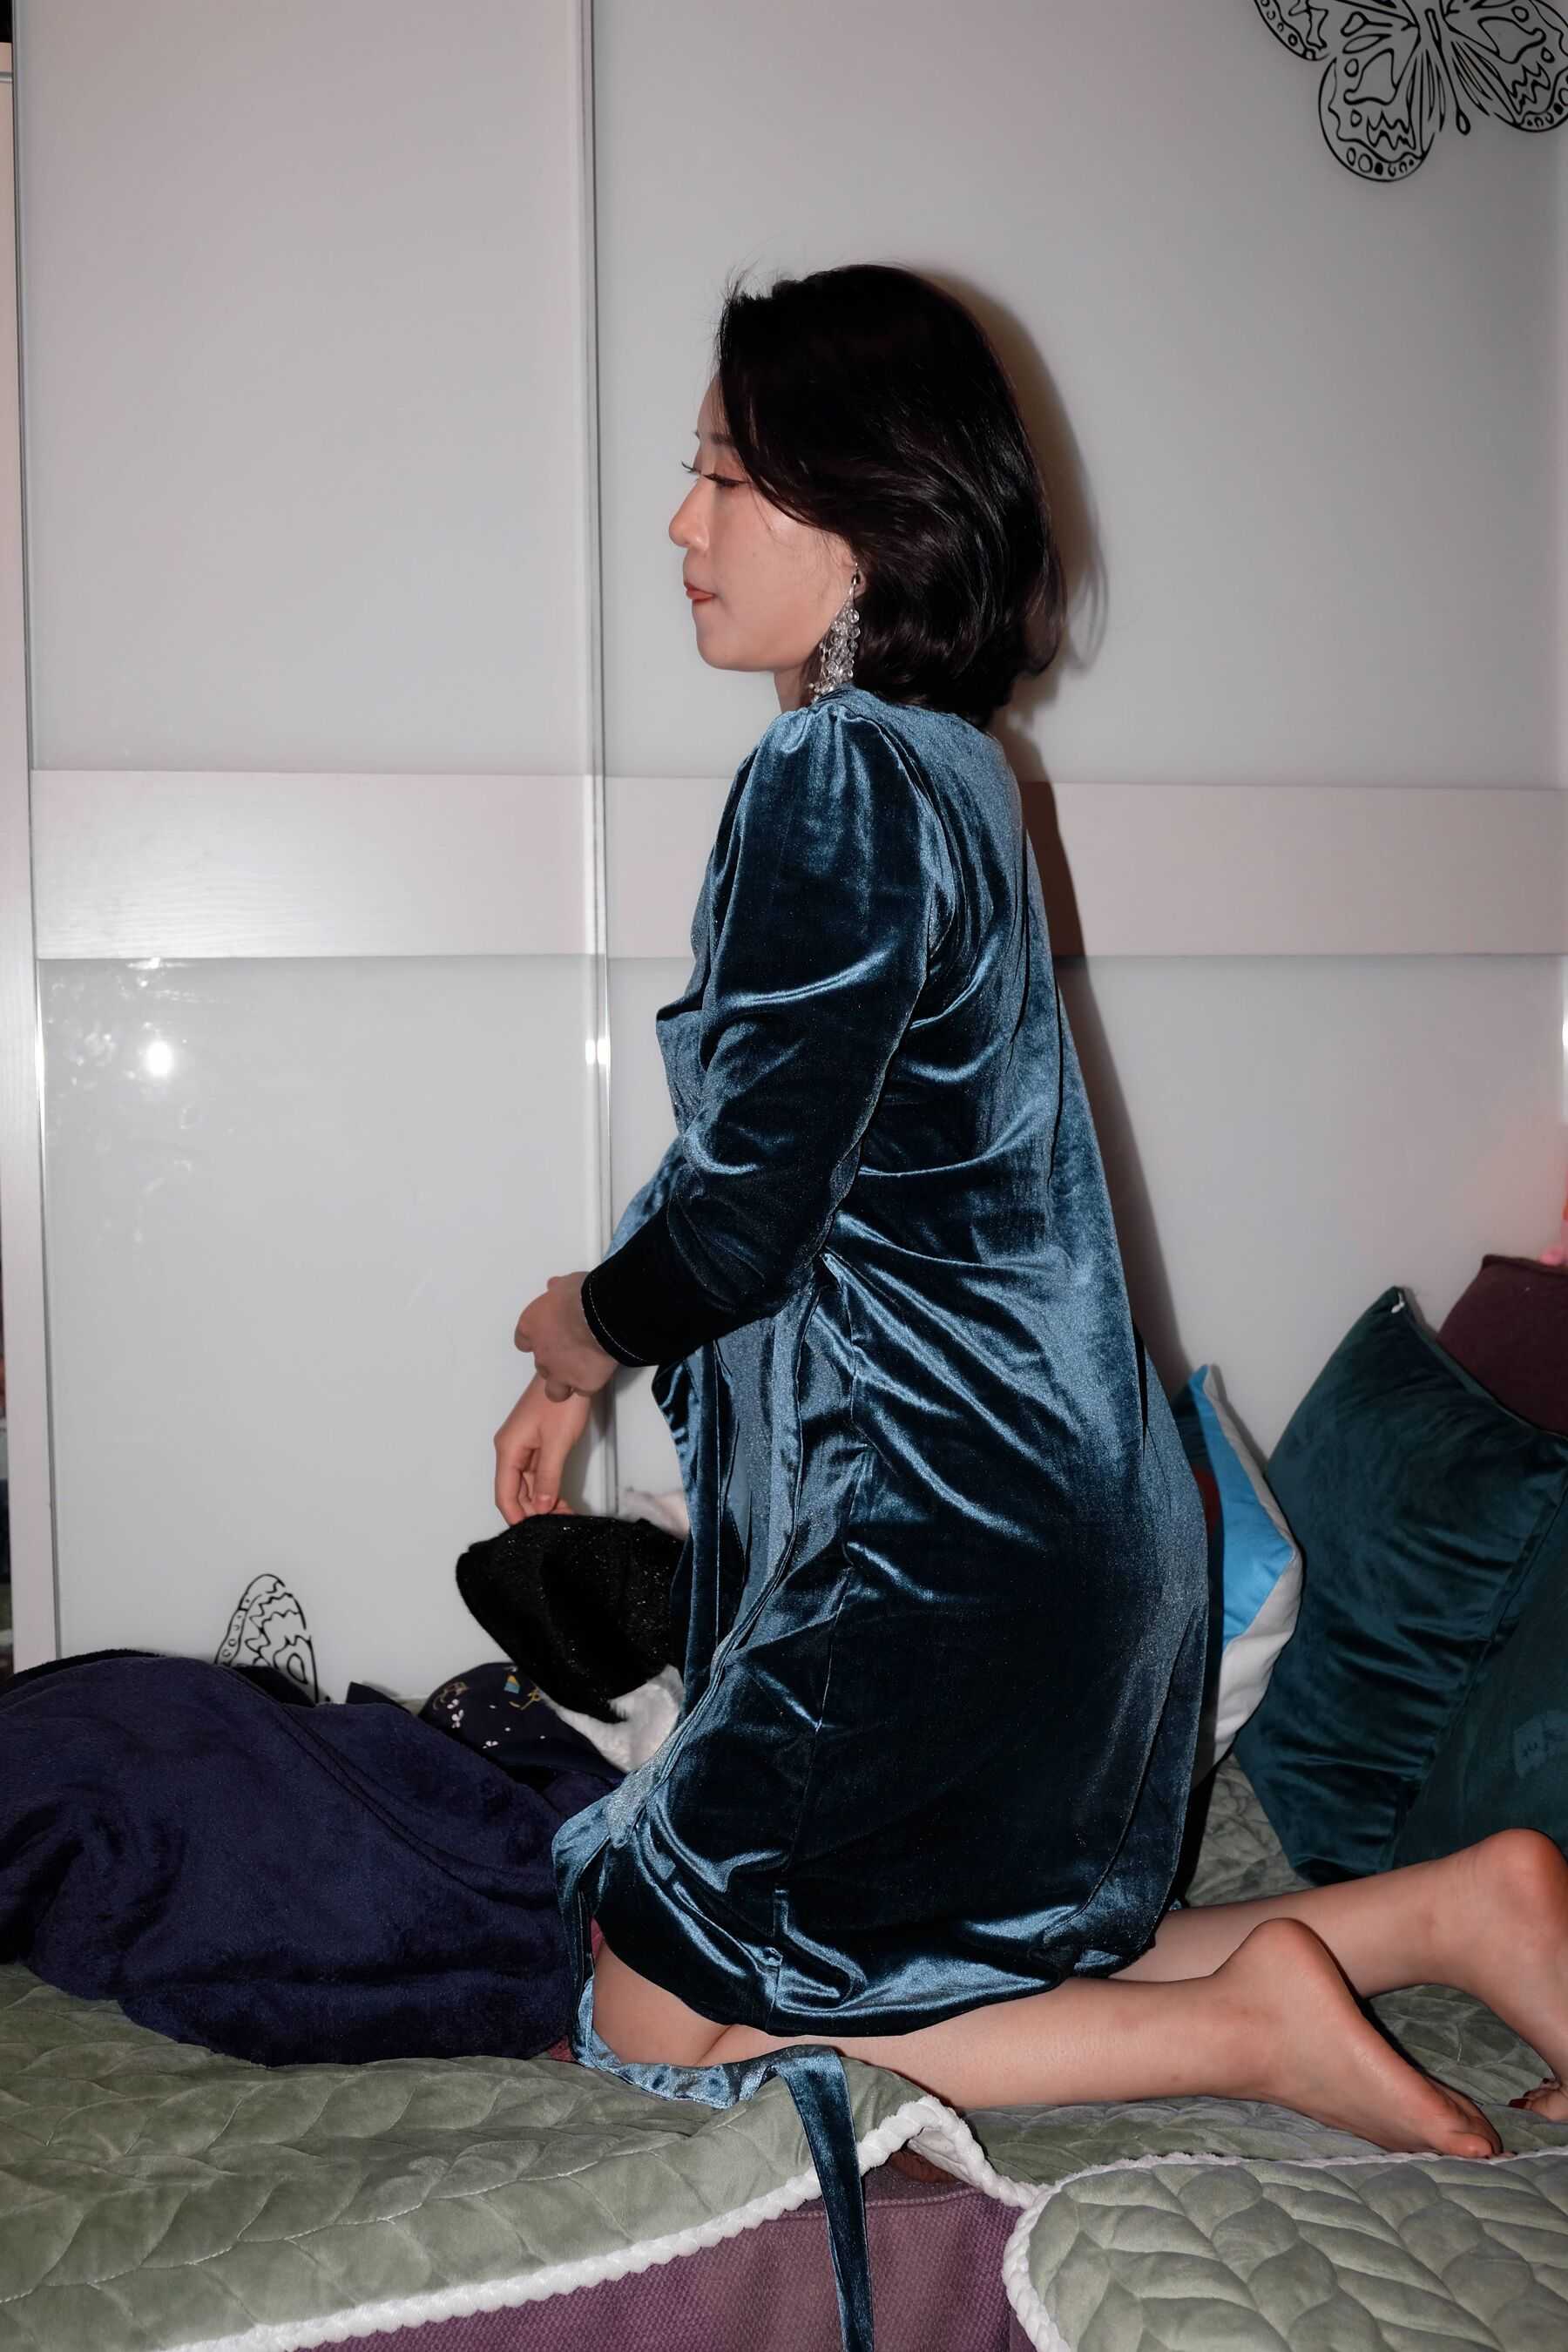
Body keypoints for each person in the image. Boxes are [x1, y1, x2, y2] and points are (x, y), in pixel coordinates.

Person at [499, 263, 1568, 2350]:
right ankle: (1459, 1910)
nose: (682, 522)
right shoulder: (956, 769)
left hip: (942, 1551)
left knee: (651, 2018)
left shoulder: (834, 779)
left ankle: (1250, 2029)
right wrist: (590, 1346)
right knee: (915, 1952)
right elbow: (799, 1158)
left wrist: (580, 1331)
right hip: (1051, 1532)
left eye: (725, 474)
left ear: (865, 514)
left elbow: (744, 1221)